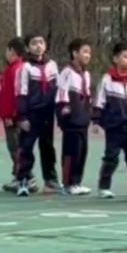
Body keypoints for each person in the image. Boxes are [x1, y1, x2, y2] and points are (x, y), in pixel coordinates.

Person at [15, 32, 59, 197]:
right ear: (27, 48)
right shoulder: (25, 67)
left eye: (41, 42)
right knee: (26, 147)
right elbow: (21, 93)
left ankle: (50, 180)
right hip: (32, 113)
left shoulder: (52, 65)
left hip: (47, 113)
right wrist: (22, 116)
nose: (38, 46)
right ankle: (22, 180)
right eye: (34, 43)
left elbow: (58, 88)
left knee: (47, 147)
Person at [95, 41, 127, 200]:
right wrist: (96, 121)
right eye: (125, 57)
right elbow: (99, 101)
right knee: (111, 157)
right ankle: (104, 187)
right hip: (114, 127)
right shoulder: (107, 79)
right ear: (115, 59)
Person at [0, 36, 37, 193]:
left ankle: (26, 177)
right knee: (18, 147)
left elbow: (13, 96)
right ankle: (20, 175)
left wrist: (10, 115)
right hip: (16, 115)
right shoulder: (17, 68)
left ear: (12, 51)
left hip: (13, 117)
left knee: (16, 148)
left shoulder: (14, 70)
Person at [56, 38, 92, 195]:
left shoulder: (86, 74)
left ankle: (77, 182)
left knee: (82, 152)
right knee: (71, 152)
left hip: (82, 121)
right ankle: (67, 183)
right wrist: (64, 117)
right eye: (84, 52)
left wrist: (89, 116)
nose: (88, 55)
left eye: (89, 52)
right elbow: (61, 95)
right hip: (71, 121)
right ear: (75, 53)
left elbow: (87, 97)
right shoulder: (67, 72)